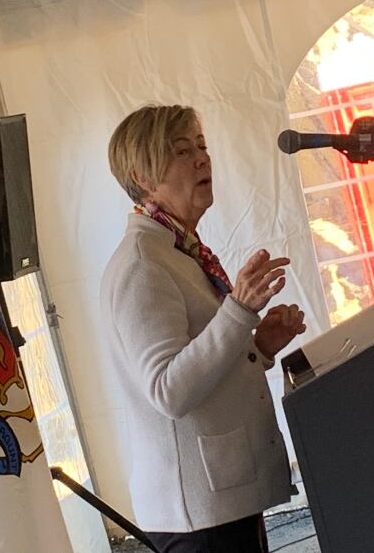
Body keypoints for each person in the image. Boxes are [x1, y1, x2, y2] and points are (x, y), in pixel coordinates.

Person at [100, 104, 306, 552]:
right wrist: (239, 310)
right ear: (143, 176)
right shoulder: (142, 264)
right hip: (196, 520)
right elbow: (169, 390)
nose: (201, 159)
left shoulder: (177, 250)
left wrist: (260, 347)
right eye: (181, 151)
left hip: (220, 502)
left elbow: (202, 361)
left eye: (201, 146)